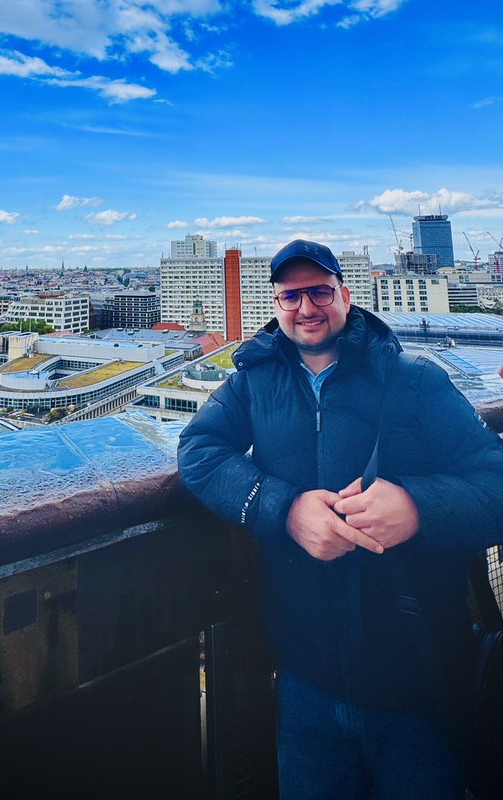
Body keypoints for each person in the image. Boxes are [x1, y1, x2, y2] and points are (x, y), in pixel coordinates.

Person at [178, 239, 503, 800]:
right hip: (308, 679)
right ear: (276, 304)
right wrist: (283, 509)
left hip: (417, 680)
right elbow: (199, 450)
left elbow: (494, 483)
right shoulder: (255, 380)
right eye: (292, 295)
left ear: (346, 296)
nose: (306, 308)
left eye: (320, 292)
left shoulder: (415, 379)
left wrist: (417, 507)